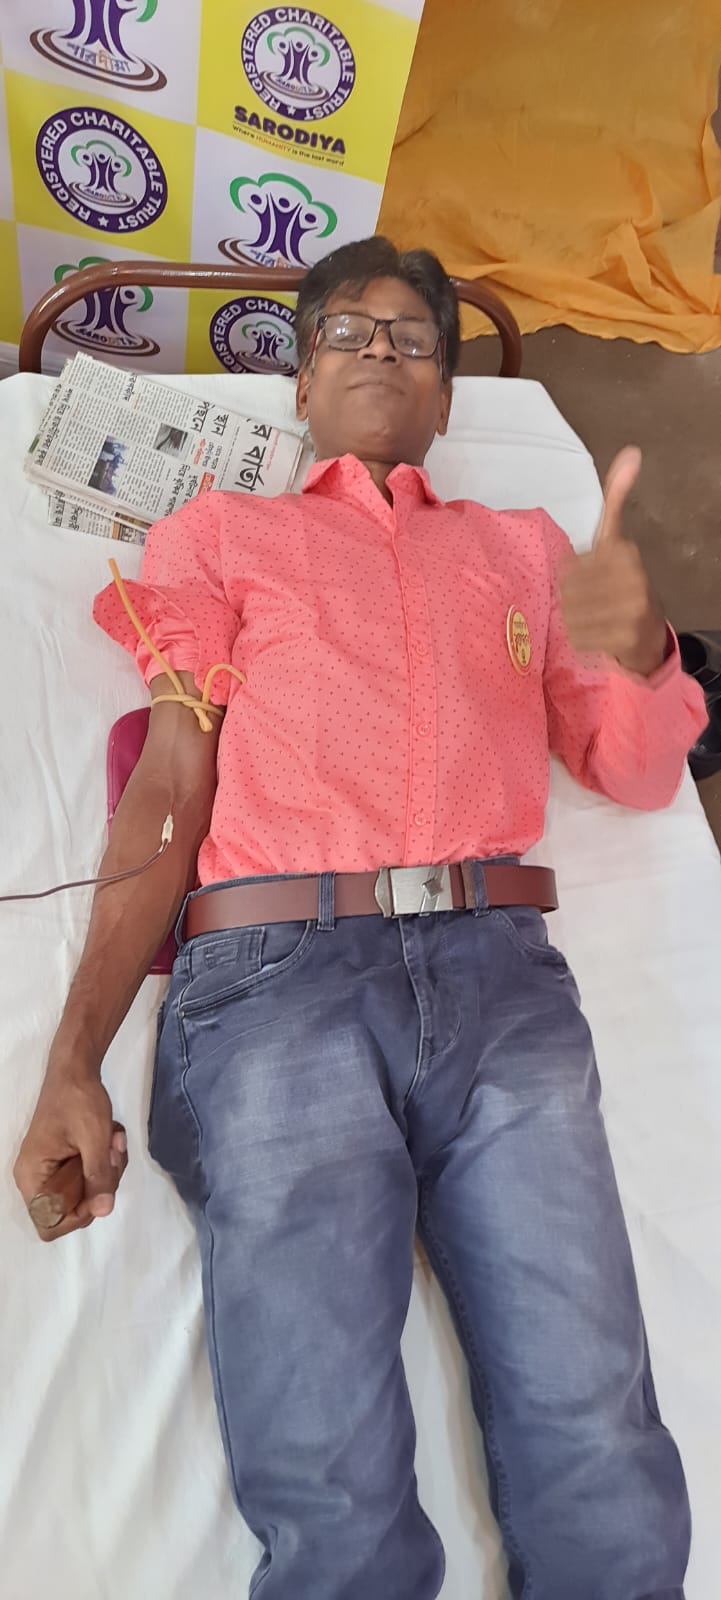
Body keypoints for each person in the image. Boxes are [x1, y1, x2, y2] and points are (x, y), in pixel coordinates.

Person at [14, 237, 707, 1600]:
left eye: (413, 338)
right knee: (327, 1467)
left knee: (595, 1427)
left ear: (446, 397)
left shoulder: (522, 548)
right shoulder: (222, 536)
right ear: (302, 383)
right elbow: (170, 783)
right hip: (276, 984)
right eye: (348, 332)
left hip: (502, 978)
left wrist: (640, 650)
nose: (381, 352)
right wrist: (71, 1058)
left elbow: (630, 771)